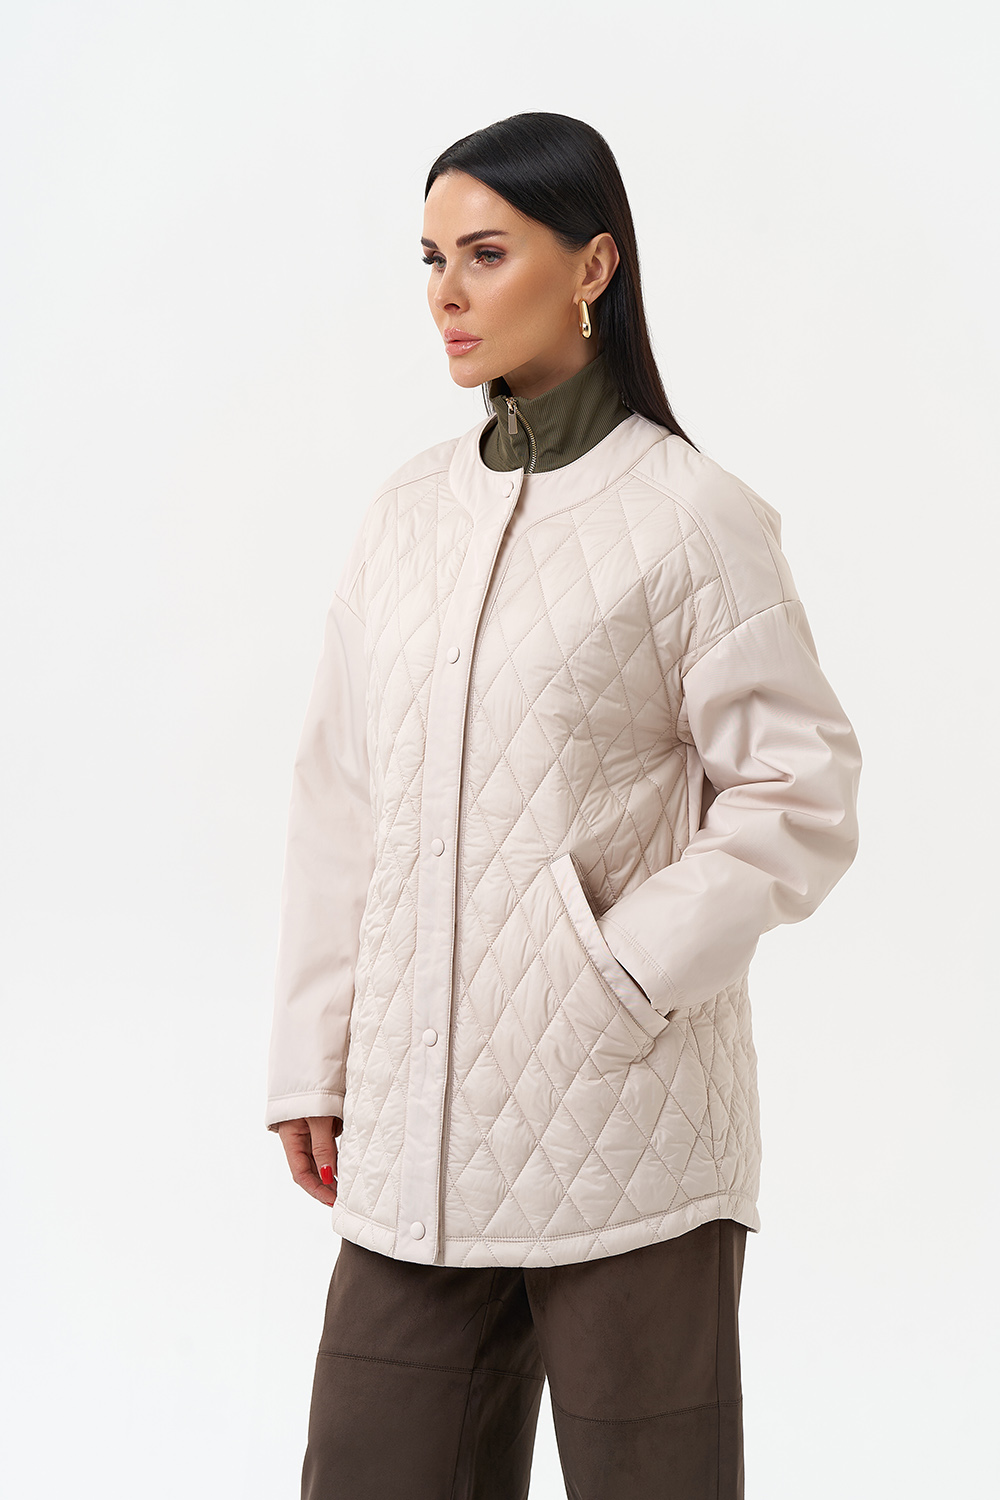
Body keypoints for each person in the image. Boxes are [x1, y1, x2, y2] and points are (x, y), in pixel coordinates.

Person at [265, 111, 862, 1500]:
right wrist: (313, 1057)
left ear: (593, 266)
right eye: (432, 259)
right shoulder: (404, 516)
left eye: (487, 254)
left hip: (626, 1121)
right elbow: (341, 794)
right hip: (414, 1129)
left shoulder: (692, 514)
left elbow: (802, 789)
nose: (448, 294)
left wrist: (622, 968)